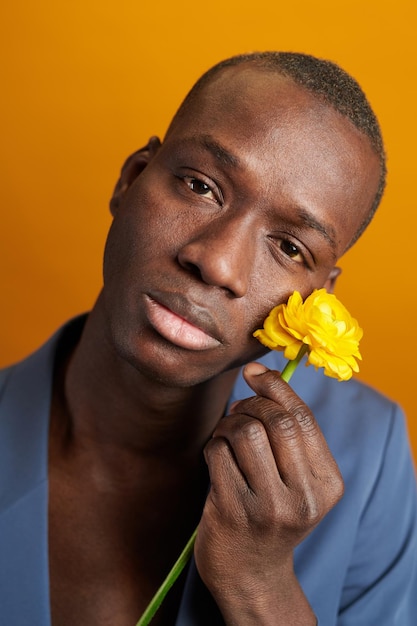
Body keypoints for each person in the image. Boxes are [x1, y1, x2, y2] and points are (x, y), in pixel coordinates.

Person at [0, 51, 416, 626]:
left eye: (290, 248)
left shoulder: (370, 455)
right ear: (130, 179)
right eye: (201, 186)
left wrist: (260, 587)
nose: (218, 263)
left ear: (320, 297)